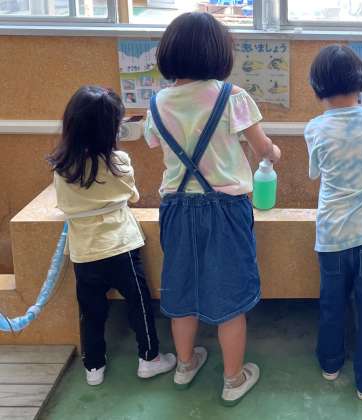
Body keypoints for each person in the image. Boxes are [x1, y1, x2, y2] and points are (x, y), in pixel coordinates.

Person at [144, 12, 281, 406]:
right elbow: (262, 147)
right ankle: (233, 378)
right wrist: (273, 152)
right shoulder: (232, 97)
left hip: (176, 208)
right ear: (219, 54)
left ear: (169, 53)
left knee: (181, 287)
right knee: (229, 295)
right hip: (226, 210)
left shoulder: (157, 103)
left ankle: (185, 365)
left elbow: (156, 144)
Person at [48, 86, 176, 386]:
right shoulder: (118, 161)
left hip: (84, 252)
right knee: (139, 303)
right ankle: (149, 358)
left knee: (91, 312)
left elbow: (65, 205)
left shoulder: (62, 167)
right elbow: (132, 196)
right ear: (110, 129)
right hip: (121, 246)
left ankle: (93, 367)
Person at [304, 45, 362, 401]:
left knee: (332, 304)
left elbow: (315, 172)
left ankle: (330, 363)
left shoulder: (315, 128)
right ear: (361, 81)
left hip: (332, 235)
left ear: (317, 87)